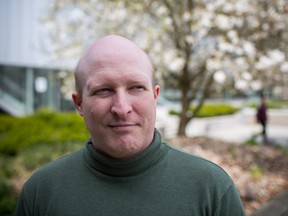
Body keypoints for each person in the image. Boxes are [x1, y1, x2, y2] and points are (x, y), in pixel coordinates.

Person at [15, 35, 245, 216]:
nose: (122, 107)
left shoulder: (212, 188)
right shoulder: (40, 192)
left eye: (136, 87)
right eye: (103, 90)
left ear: (155, 96)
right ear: (79, 104)